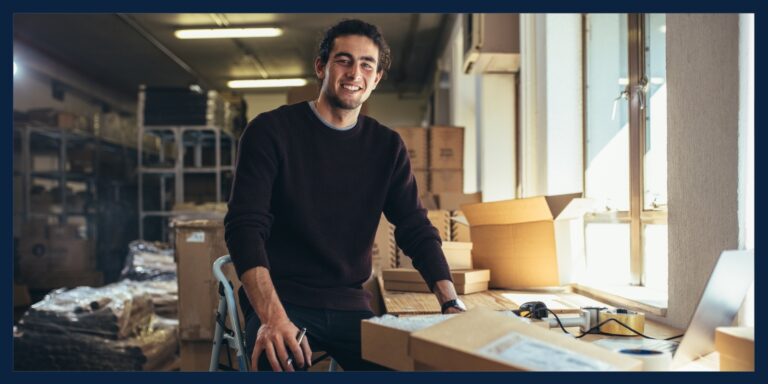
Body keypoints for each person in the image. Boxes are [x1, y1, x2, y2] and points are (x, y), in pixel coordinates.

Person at [224, 18, 465, 372]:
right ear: (321, 66)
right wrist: (272, 318)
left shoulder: (386, 147)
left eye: (367, 64)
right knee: (278, 361)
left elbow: (414, 226)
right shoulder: (270, 131)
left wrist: (450, 303)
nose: (355, 72)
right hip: (284, 299)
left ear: (377, 78)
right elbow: (244, 226)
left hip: (350, 303)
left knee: (409, 365)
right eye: (344, 60)